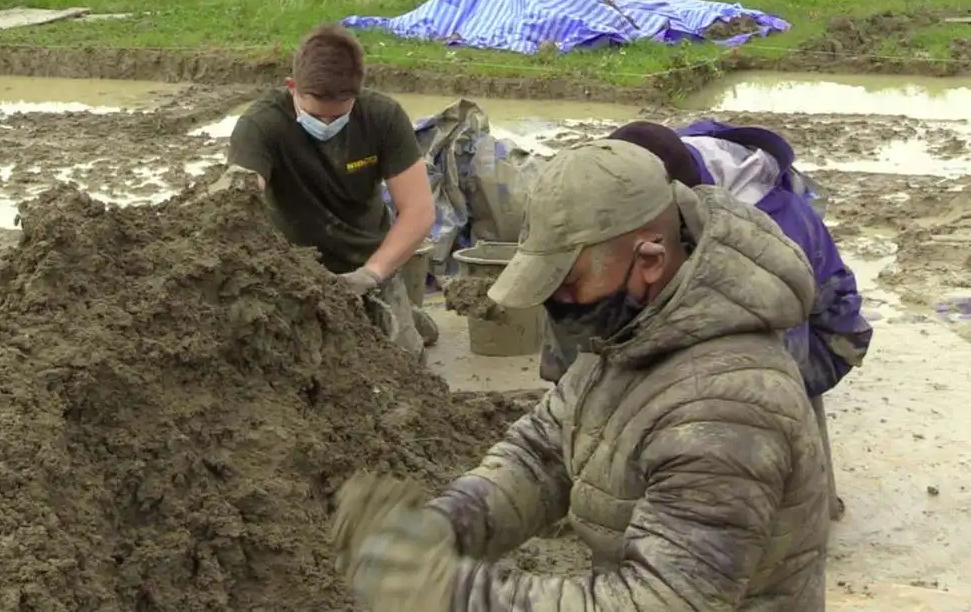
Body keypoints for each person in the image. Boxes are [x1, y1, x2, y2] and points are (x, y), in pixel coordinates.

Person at [332, 140, 830, 612]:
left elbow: (659, 601)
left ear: (650, 259)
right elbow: (542, 451)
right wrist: (448, 526)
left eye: (567, 283)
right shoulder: (638, 328)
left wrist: (448, 592)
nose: (556, 303)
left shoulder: (724, 408)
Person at [590, 120, 873, 521]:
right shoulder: (663, 164)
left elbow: (799, 327)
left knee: (719, 383)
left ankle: (759, 511)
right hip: (766, 318)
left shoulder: (764, 227)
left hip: (821, 339)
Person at [225, 23, 438, 361]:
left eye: (336, 117)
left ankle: (405, 314)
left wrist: (372, 274)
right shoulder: (261, 125)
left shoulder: (383, 117)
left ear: (357, 92)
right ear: (292, 87)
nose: (325, 126)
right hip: (292, 275)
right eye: (314, 115)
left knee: (406, 364)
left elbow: (419, 210)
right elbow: (238, 201)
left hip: (368, 263)